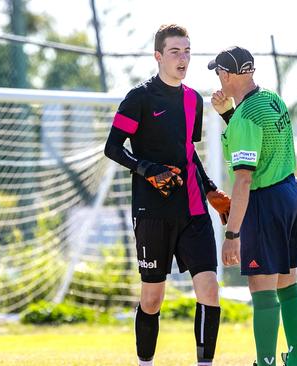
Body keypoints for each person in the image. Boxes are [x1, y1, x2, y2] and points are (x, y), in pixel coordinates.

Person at [104, 24, 231, 366]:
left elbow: (188, 152)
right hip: (152, 212)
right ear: (158, 56)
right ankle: (145, 363)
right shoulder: (139, 99)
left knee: (209, 290)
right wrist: (147, 169)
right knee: (152, 299)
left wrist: (210, 191)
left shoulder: (193, 100)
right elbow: (112, 148)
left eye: (187, 51)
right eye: (175, 52)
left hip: (192, 211)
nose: (183, 58)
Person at [208, 46, 297, 366]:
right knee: (286, 283)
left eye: (219, 73)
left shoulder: (245, 118)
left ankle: (264, 362)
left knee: (261, 285)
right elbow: (256, 140)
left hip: (267, 202)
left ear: (228, 75)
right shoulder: (271, 99)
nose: (218, 79)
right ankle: (295, 360)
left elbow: (244, 181)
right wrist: (227, 115)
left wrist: (232, 233)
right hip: (292, 193)